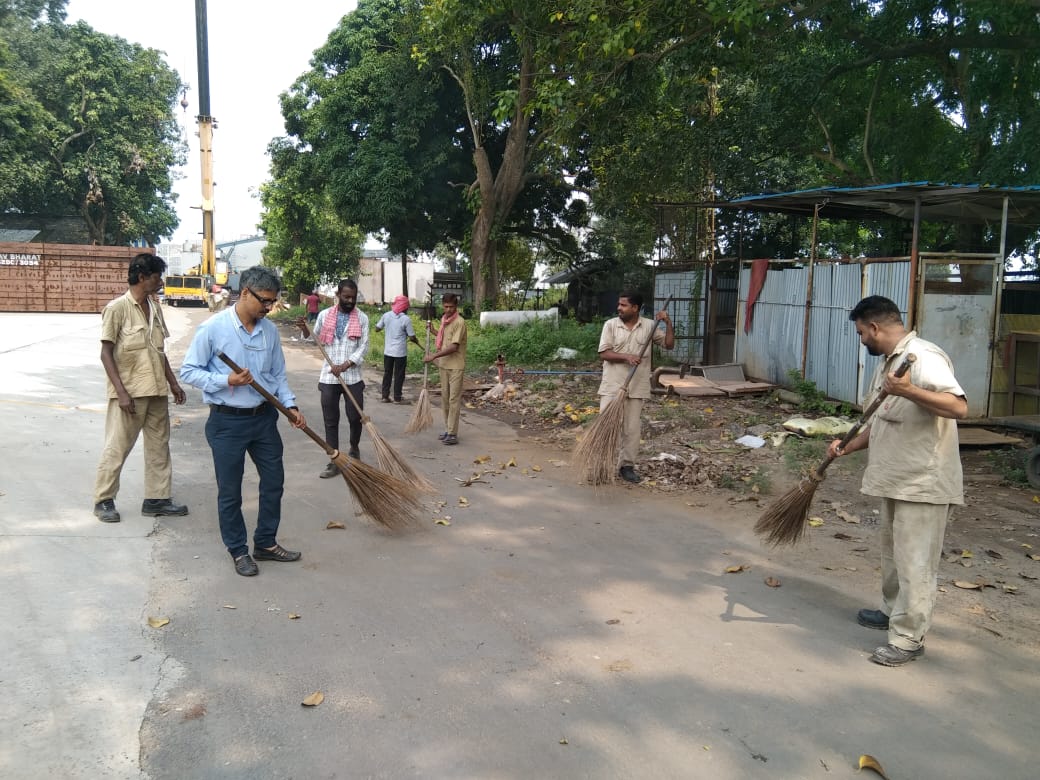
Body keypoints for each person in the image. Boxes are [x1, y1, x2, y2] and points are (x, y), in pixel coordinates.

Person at [827, 295, 967, 667]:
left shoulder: (922, 358)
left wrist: (907, 390)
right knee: (893, 554)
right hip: (895, 478)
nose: (861, 340)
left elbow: (959, 407)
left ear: (874, 327)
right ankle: (891, 610)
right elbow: (882, 421)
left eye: (861, 333)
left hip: (923, 481)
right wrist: (848, 446)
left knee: (915, 562)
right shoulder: (891, 365)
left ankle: (908, 639)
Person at [180, 267, 307, 577]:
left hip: (263, 419)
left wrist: (290, 406)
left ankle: (265, 543)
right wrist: (227, 379)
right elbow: (188, 371)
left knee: (274, 482)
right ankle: (238, 550)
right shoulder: (213, 328)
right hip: (227, 423)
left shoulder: (270, 332)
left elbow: (277, 375)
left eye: (273, 302)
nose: (268, 308)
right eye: (265, 301)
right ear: (246, 292)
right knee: (230, 491)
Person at [92, 253, 189, 523]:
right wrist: (121, 392)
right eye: (157, 277)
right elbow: (106, 353)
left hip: (156, 390)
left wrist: (173, 383)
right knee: (117, 447)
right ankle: (104, 500)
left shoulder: (155, 307)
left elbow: (159, 351)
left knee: (159, 446)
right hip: (130, 394)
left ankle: (156, 499)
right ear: (142, 277)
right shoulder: (117, 309)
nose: (160, 282)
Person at [597, 291, 674, 483]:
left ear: (635, 308)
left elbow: (669, 345)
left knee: (631, 430)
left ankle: (627, 466)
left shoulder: (649, 326)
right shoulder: (611, 325)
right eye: (619, 304)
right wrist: (627, 356)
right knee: (606, 427)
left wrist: (668, 323)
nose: (619, 308)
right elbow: (604, 354)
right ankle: (602, 466)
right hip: (613, 385)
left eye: (623, 305)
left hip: (637, 385)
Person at [297, 279, 369, 477]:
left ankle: (354, 448)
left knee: (355, 417)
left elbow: (364, 347)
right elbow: (314, 339)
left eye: (353, 298)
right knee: (330, 420)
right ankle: (334, 459)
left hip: (352, 376)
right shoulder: (324, 315)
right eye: (346, 297)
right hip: (329, 378)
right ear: (338, 295)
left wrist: (345, 365)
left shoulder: (362, 318)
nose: (350, 301)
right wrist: (304, 328)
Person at [424, 293, 468, 445]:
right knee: (445, 399)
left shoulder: (459, 322)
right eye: (446, 306)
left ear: (456, 307)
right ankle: (448, 430)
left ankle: (453, 433)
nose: (448, 309)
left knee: (454, 400)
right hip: (444, 365)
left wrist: (434, 356)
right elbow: (442, 339)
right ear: (443, 306)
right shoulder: (445, 320)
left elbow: (454, 346)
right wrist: (434, 330)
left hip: (456, 366)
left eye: (451, 307)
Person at [375, 295, 420, 403]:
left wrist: (388, 327)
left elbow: (377, 328)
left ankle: (385, 396)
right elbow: (412, 336)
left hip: (388, 351)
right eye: (407, 307)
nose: (407, 309)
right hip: (400, 352)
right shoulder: (406, 319)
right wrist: (416, 340)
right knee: (399, 375)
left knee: (387, 374)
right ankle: (397, 398)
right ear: (404, 307)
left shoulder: (386, 315)